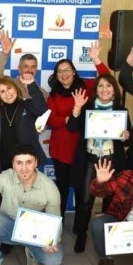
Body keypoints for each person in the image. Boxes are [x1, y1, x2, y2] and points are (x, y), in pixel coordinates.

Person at [66, 74, 130, 253]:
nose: (104, 90)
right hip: (91, 160)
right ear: (96, 90)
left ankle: (107, 237)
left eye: (109, 86)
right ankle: (82, 234)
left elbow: (126, 141)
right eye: (101, 86)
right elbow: (72, 127)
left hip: (112, 161)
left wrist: (126, 136)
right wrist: (77, 108)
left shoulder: (121, 111)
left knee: (110, 202)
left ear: (114, 90)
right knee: (86, 200)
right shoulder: (87, 109)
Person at [46, 46, 110, 220]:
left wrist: (96, 59)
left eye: (67, 70)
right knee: (62, 189)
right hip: (60, 149)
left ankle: (79, 228)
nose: (64, 74)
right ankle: (57, 226)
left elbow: (107, 79)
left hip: (83, 149)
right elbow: (51, 120)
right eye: (60, 71)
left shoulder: (87, 87)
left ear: (74, 72)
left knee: (83, 190)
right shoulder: (54, 95)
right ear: (56, 75)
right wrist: (69, 117)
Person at [0, 75, 47, 220]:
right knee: (3, 200)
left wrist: (31, 85)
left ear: (16, 88)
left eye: (9, 88)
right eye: (2, 91)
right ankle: (0, 233)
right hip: (3, 161)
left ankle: (23, 234)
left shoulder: (27, 105)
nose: (7, 93)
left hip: (25, 163)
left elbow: (41, 108)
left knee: (26, 200)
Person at [0, 29, 48, 99]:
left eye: (33, 67)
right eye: (26, 66)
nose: (30, 70)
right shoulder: (10, 85)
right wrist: (5, 53)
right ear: (19, 68)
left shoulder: (43, 93)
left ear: (36, 69)